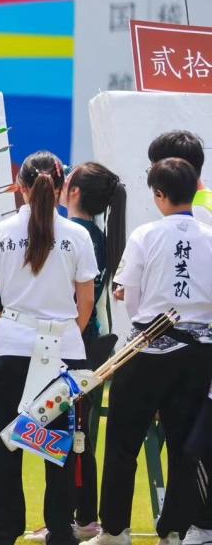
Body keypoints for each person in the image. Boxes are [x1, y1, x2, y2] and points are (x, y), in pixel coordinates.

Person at [84, 158, 212, 545]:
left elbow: (131, 298)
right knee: (184, 445)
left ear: (159, 194)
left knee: (123, 442)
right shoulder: (209, 235)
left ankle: (115, 530)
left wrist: (148, 326)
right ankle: (174, 529)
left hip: (146, 348)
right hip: (198, 354)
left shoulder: (146, 234)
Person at [0, 151, 99, 545]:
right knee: (59, 445)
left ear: (21, 186)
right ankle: (60, 530)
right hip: (64, 349)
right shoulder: (77, 235)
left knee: (7, 442)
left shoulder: (0, 232)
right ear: (61, 186)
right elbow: (86, 301)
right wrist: (66, 333)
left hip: (12, 346)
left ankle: (1, 532)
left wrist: (14, 323)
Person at [25, 161, 127, 543]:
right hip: (84, 342)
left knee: (73, 433)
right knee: (75, 432)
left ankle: (77, 519)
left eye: (66, 181)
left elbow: (76, 299)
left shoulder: (77, 234)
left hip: (77, 345)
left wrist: (66, 337)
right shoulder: (89, 234)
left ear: (76, 192)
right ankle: (76, 516)